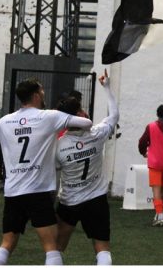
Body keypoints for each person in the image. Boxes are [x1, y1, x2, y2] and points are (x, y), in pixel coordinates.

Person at [0, 78, 93, 266]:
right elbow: (87, 123)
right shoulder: (50, 116)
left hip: (14, 193)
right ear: (36, 95)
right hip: (39, 193)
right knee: (51, 246)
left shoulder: (5, 121)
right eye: (42, 93)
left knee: (7, 243)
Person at [55, 70, 118, 265]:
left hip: (69, 202)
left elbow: (53, 176)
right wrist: (107, 87)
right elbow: (114, 115)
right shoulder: (96, 134)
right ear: (76, 117)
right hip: (96, 200)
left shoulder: (58, 145)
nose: (85, 112)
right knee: (102, 248)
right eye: (81, 110)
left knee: (57, 248)